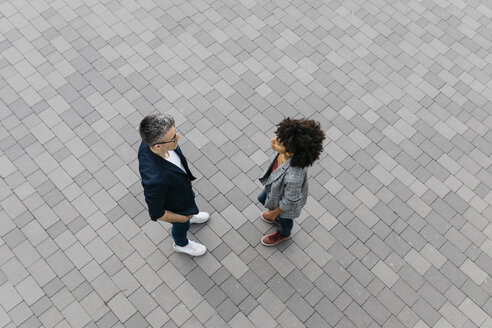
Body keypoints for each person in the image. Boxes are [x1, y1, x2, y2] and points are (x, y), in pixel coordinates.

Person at [138, 114, 209, 256]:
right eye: (173, 138)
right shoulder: (155, 179)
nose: (178, 137)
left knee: (192, 200)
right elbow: (157, 213)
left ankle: (192, 213)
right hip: (176, 207)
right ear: (157, 145)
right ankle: (181, 244)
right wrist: (182, 218)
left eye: (175, 133)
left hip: (183, 192)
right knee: (182, 226)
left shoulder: (153, 143)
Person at [258, 117, 325, 246]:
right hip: (275, 189)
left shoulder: (294, 177)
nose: (272, 141)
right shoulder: (283, 151)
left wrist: (274, 213)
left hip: (286, 205)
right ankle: (277, 219)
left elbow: (290, 201)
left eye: (278, 143)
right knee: (262, 198)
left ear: (290, 153)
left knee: (285, 220)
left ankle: (284, 233)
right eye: (276, 137)